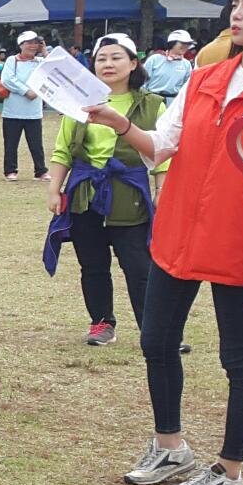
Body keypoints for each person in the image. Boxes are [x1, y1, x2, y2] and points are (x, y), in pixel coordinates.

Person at [90, 0, 243, 485]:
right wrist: (117, 123)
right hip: (180, 231)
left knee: (242, 360)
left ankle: (229, 472)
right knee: (156, 340)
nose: (238, 13)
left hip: (242, 244)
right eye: (236, 3)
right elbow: (162, 146)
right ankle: (170, 446)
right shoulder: (206, 78)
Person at [44, 33, 158, 347]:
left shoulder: (151, 105)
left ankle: (155, 329)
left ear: (133, 63)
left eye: (116, 57)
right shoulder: (78, 103)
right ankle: (101, 323)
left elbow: (162, 156)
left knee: (138, 266)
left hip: (129, 195)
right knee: (92, 265)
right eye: (102, 58)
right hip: (85, 195)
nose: (108, 64)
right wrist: (55, 189)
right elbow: (63, 150)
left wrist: (162, 193)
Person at [0, 30, 52, 181]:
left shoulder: (40, 61)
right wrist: (26, 91)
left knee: (36, 144)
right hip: (12, 111)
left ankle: (41, 170)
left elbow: (53, 70)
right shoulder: (11, 60)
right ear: (21, 44)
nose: (33, 46)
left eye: (36, 43)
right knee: (11, 144)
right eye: (29, 43)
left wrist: (44, 50)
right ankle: (10, 170)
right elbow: (7, 79)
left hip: (33, 111)